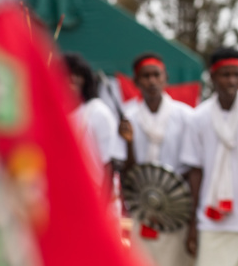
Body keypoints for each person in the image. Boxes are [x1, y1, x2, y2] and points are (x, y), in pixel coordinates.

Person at [180, 47, 238, 266]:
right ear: (212, 76)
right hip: (210, 221)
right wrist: (193, 223)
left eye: (237, 75)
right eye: (225, 75)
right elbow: (195, 171)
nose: (232, 81)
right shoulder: (197, 117)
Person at [115, 53, 194, 266]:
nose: (151, 81)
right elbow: (126, 169)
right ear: (136, 81)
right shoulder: (128, 116)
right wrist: (129, 143)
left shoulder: (185, 115)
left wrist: (167, 189)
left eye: (156, 75)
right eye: (145, 76)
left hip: (177, 207)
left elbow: (192, 166)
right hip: (142, 205)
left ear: (165, 78)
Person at [65, 53, 118, 193]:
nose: (72, 79)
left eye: (78, 75)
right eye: (67, 73)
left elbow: (109, 167)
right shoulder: (52, 113)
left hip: (96, 195)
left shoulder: (98, 112)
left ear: (86, 80)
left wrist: (102, 208)